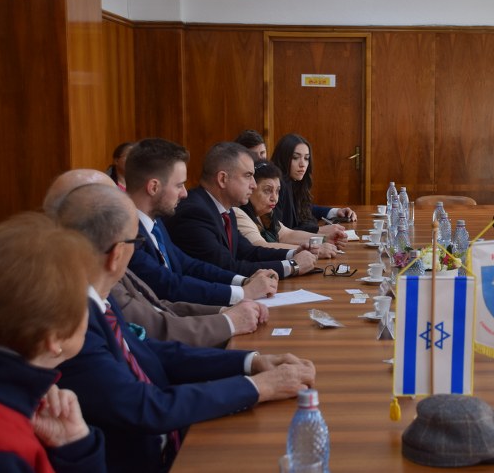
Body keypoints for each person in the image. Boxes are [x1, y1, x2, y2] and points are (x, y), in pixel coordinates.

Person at [56, 183, 316, 472]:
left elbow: (153, 352)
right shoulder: (71, 323)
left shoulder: (96, 300)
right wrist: (260, 387)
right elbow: (146, 407)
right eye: (136, 242)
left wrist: (250, 363)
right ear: (117, 254)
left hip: (176, 433)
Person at [46, 168, 267, 348]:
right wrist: (231, 317)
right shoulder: (83, 278)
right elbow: (159, 316)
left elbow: (159, 305)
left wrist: (228, 309)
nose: (185, 193)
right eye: (179, 185)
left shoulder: (144, 230)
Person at [0, 213, 106, 473]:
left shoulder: (25, 408)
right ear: (55, 339)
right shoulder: (7, 447)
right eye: (83, 302)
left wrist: (74, 446)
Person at [125, 138, 278, 306]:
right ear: (154, 187)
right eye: (179, 185)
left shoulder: (155, 222)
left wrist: (243, 281)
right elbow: (169, 285)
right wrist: (243, 293)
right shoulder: (125, 234)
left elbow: (189, 265)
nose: (184, 193)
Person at [165, 142, 317, 278]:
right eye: (248, 176)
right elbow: (226, 268)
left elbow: (248, 251)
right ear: (223, 179)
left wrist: (293, 254)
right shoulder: (194, 213)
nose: (254, 185)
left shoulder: (226, 210)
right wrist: (292, 266)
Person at [235, 161, 345, 258]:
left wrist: (324, 239)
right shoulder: (239, 213)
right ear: (251, 188)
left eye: (277, 191)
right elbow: (261, 247)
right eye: (267, 190)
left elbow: (286, 235)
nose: (275, 198)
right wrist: (314, 250)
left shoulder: (264, 212)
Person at [271, 133, 357, 234]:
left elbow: (305, 208)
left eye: (306, 158)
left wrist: (336, 212)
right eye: (295, 157)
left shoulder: (293, 181)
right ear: (283, 158)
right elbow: (280, 232)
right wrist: (319, 230)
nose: (302, 164)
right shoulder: (278, 186)